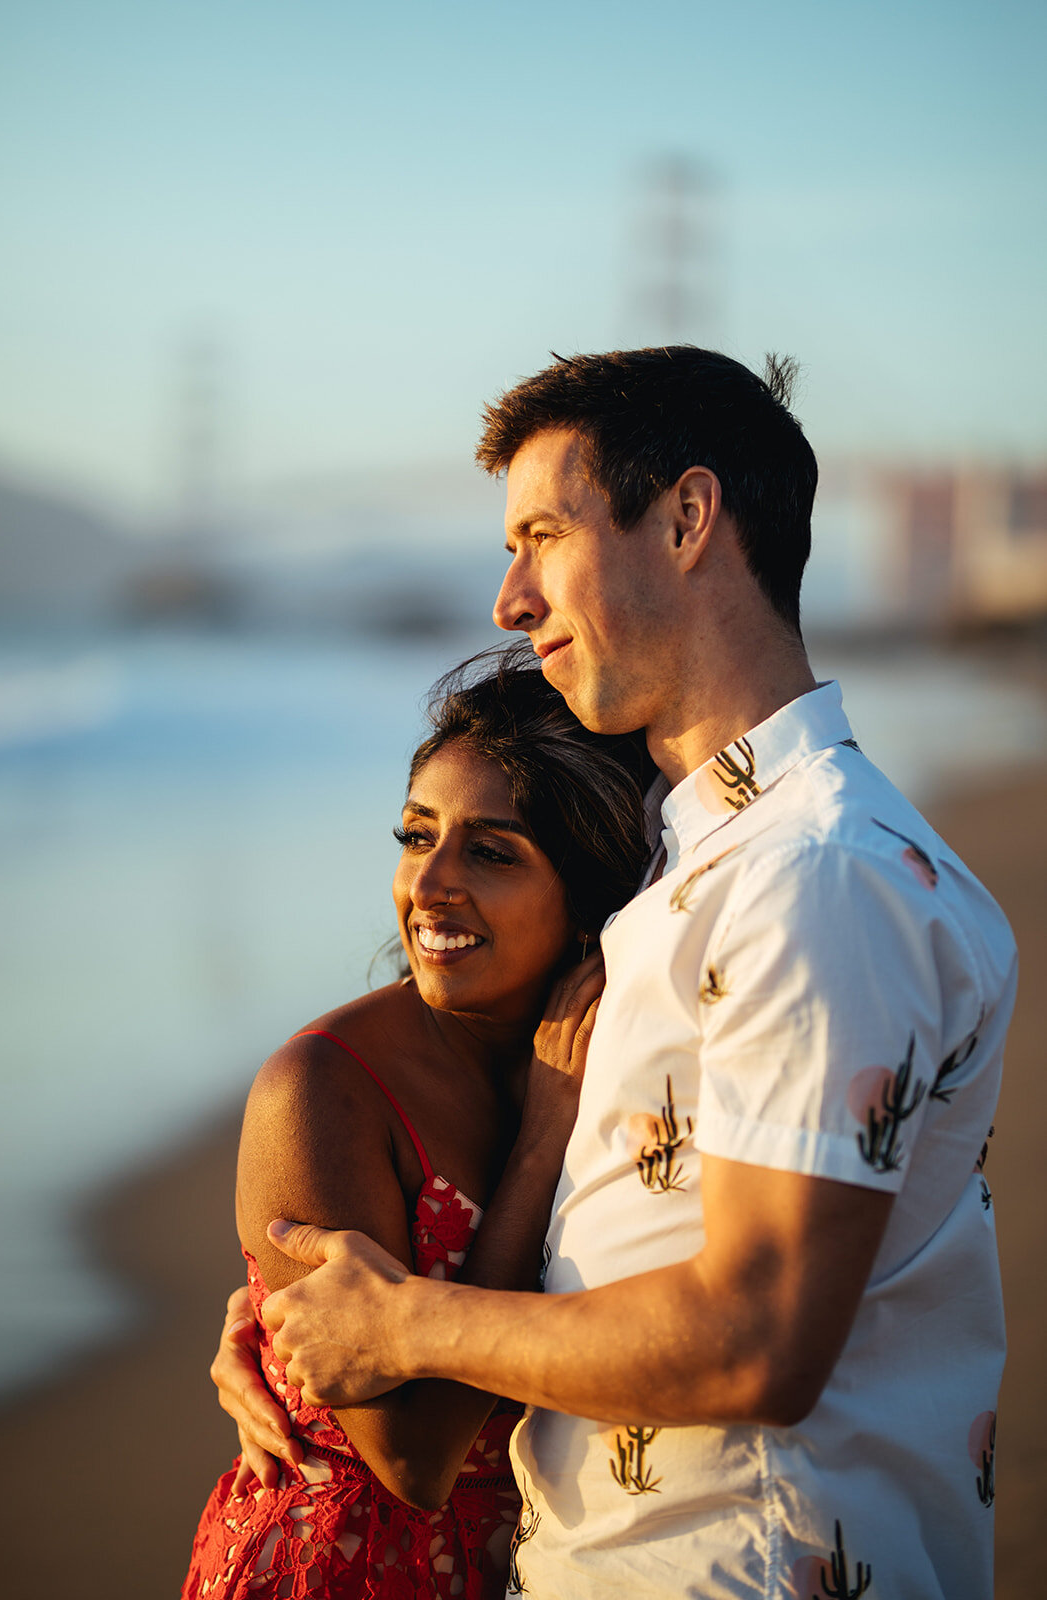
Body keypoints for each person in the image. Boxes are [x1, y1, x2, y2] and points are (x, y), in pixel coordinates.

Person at [220, 348, 1015, 1600]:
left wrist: (398, 1324)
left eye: (541, 534)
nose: (508, 597)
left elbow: (756, 1337)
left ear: (688, 519)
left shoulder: (812, 875)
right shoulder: (700, 856)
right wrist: (287, 1316)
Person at [181, 648, 652, 1599]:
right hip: (345, 1565)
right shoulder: (320, 1088)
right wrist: (536, 1148)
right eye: (414, 836)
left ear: (589, 899)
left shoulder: (631, 1053)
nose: (428, 884)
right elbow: (413, 1458)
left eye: (490, 851)